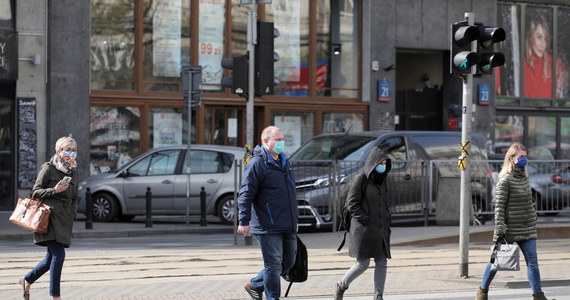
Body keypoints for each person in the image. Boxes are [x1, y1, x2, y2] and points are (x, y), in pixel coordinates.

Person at [475, 143, 551, 300]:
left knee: (533, 263)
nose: (524, 160)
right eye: (521, 157)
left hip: (527, 227)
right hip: (509, 229)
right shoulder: (505, 180)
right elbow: (499, 207)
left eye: (525, 156)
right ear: (511, 158)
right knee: (496, 262)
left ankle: (538, 296)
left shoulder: (524, 178)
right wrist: (501, 228)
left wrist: (533, 216)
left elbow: (528, 202)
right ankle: (482, 292)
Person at [237, 126, 299, 300]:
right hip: (267, 224)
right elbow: (245, 193)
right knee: (273, 266)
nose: (282, 143)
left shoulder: (284, 161)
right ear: (266, 141)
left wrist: (295, 219)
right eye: (278, 140)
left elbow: (291, 193)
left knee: (288, 262)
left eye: (282, 139)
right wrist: (244, 221)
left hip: (287, 223)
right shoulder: (257, 164)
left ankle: (254, 285)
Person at [19, 137, 79, 300]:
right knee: (59, 256)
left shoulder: (73, 171)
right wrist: (54, 190)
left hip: (64, 219)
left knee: (50, 258)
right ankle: (55, 296)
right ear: (58, 151)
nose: (71, 153)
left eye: (73, 150)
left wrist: (73, 213)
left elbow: (75, 197)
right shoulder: (48, 168)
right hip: (49, 218)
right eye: (67, 149)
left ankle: (26, 279)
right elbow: (35, 192)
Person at [334, 146, 392, 300]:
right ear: (373, 163)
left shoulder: (383, 180)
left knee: (382, 262)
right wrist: (365, 219)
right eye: (381, 163)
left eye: (385, 163)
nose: (383, 166)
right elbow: (352, 203)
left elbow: (385, 204)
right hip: (364, 230)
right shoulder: (360, 179)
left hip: (380, 229)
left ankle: (378, 295)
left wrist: (387, 220)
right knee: (362, 264)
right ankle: (341, 285)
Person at [523, 14, 568, 99]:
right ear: (530, 37)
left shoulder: (555, 64)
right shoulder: (520, 66)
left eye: (546, 39)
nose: (544, 45)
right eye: (539, 37)